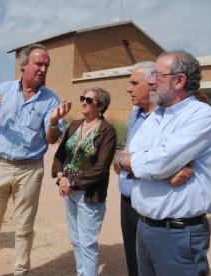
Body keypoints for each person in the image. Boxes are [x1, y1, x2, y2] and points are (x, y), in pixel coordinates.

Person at [116, 50, 211, 276]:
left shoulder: (202, 115)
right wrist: (157, 169)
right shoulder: (156, 116)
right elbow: (132, 157)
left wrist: (139, 162)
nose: (151, 81)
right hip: (145, 227)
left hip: (178, 234)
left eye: (157, 75)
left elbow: (156, 162)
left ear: (179, 80)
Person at [0, 43, 72, 276]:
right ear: (24, 64)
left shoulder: (50, 100)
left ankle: (21, 271)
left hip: (29, 171)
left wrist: (53, 121)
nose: (43, 69)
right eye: (39, 63)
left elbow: (51, 139)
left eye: (46, 65)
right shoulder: (4, 89)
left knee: (24, 228)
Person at [52, 87, 117, 276]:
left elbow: (101, 167)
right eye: (83, 98)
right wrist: (60, 177)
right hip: (68, 192)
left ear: (101, 106)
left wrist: (71, 182)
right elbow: (60, 155)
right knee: (76, 240)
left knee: (87, 244)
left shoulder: (107, 131)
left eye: (89, 100)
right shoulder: (74, 125)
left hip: (89, 195)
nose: (83, 102)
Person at [115, 61, 155, 276]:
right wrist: (121, 160)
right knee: (132, 257)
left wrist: (124, 160)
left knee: (149, 260)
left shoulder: (163, 118)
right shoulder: (133, 116)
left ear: (153, 84)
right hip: (126, 198)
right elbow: (125, 153)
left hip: (147, 201)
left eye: (134, 83)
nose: (128, 88)